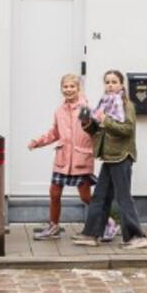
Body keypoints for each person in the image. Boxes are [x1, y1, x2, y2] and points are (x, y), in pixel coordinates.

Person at [72, 70, 147, 250]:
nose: (110, 85)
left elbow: (127, 129)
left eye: (114, 82)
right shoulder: (104, 104)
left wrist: (105, 120)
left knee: (123, 198)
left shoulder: (125, 105)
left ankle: (137, 236)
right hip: (109, 157)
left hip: (122, 156)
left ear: (122, 85)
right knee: (100, 196)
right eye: (107, 82)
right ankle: (91, 234)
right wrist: (87, 122)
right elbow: (97, 132)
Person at [28, 74, 97, 241]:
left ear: (78, 88)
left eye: (72, 86)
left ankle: (108, 222)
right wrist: (37, 142)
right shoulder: (59, 110)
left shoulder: (85, 108)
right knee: (54, 193)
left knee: (86, 196)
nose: (68, 90)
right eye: (65, 87)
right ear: (61, 89)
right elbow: (55, 133)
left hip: (80, 159)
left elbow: (94, 131)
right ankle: (54, 226)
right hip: (63, 159)